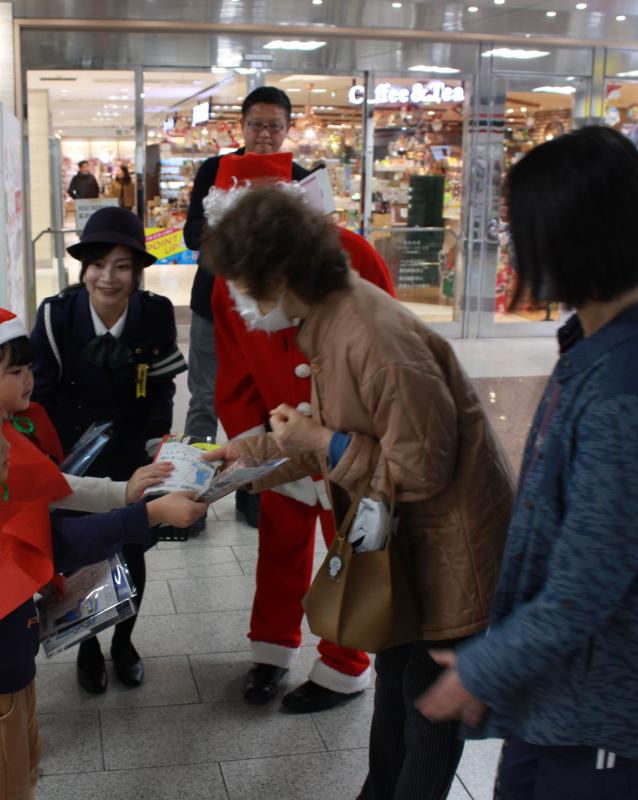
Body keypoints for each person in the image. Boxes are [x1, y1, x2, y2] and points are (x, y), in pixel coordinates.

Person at [201, 184, 513, 799]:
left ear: (281, 274)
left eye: (243, 282)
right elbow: (318, 438)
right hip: (403, 551)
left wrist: (320, 440)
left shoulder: (370, 335)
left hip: (447, 560)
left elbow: (419, 469)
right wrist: (232, 462)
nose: (237, 300)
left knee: (426, 715)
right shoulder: (331, 319)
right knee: (398, 691)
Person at [416, 126, 638, 800]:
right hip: (558, 692)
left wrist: (479, 671)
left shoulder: (622, 393)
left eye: (522, 228)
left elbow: (586, 586)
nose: (513, 246)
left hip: (600, 708)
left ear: (570, 239)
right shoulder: (594, 350)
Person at [0, 372, 205, 800]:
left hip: (7, 678)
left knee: (22, 775)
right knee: (5, 790)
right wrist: (150, 515)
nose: (8, 446)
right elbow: (59, 543)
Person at [202, 151, 398, 714]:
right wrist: (250, 444)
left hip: (352, 440)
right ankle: (272, 650)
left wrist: (365, 439)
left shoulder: (353, 254)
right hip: (279, 438)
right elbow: (234, 369)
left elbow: (390, 354)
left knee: (358, 548)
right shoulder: (227, 280)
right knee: (280, 546)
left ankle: (345, 664)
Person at [30, 206, 187, 695]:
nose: (108, 277)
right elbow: (41, 396)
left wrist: (155, 447)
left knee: (132, 547)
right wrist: (59, 467)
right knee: (81, 556)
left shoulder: (155, 313)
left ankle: (124, 641)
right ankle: (87, 646)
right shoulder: (57, 316)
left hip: (132, 454)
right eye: (98, 264)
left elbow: (161, 389)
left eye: (122, 265)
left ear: (137, 270)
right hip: (74, 461)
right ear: (84, 268)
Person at [182, 86, 308, 528]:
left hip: (274, 315)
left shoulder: (300, 174)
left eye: (275, 126)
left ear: (288, 128)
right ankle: (191, 496)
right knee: (203, 400)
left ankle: (257, 494)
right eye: (256, 124)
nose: (265, 135)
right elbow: (191, 233)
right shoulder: (216, 169)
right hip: (212, 308)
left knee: (267, 402)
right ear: (242, 126)